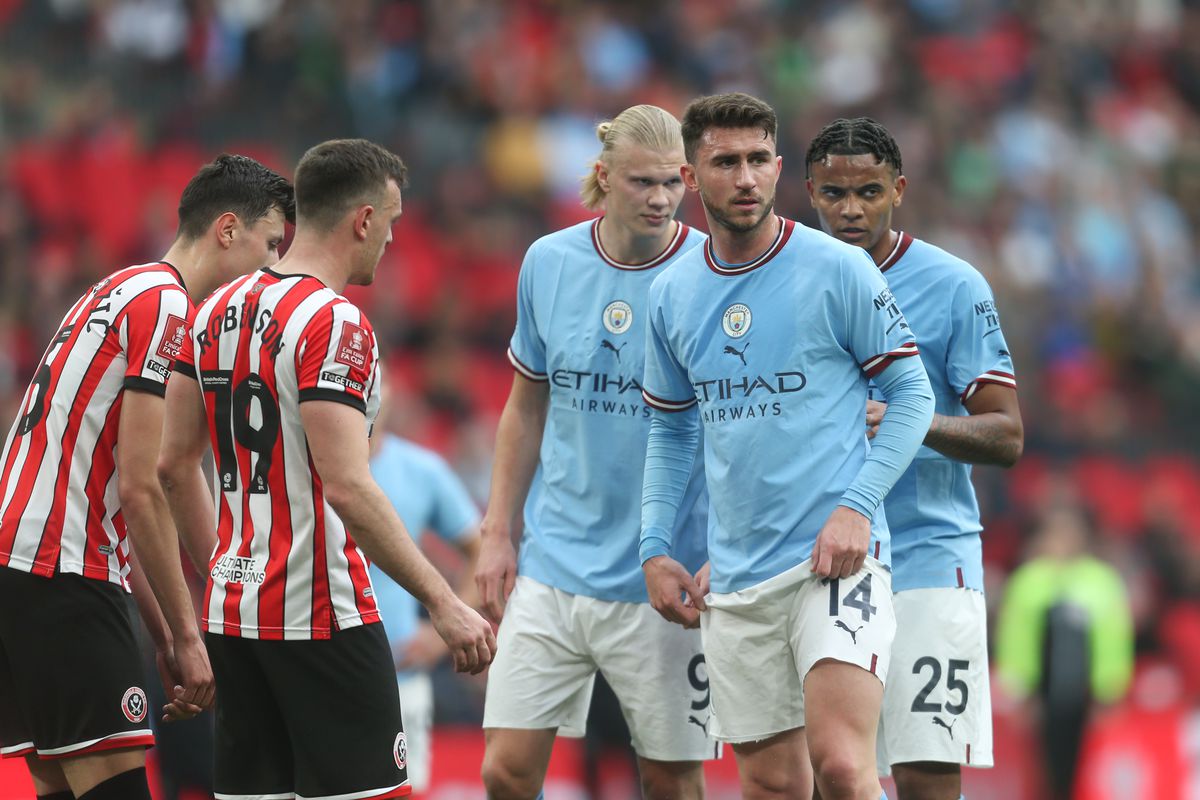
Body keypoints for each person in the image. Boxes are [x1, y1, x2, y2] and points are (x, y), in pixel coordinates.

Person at [157, 138, 496, 800]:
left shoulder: (212, 310)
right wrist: (443, 602)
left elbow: (174, 466)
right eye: (391, 223)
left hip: (234, 615)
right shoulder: (335, 323)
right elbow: (347, 484)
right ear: (363, 220)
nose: (391, 240)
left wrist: (228, 573)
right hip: (322, 614)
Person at [639, 92, 935, 800]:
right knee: (772, 785)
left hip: (836, 563)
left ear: (777, 168)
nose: (745, 178)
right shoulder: (672, 294)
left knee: (842, 766)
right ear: (691, 178)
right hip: (738, 577)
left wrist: (857, 508)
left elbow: (913, 396)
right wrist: (653, 546)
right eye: (725, 163)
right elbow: (672, 428)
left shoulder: (839, 268)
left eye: (757, 160)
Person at [0, 154, 293, 800]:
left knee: (63, 790)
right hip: (62, 572)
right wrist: (190, 634)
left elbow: (108, 493)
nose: (273, 266)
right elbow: (144, 486)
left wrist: (161, 634)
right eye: (271, 244)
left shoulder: (115, 290)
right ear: (227, 229)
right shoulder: (167, 306)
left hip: (22, 568)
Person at [475, 104, 714, 800]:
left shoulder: (711, 271)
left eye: (673, 182)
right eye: (642, 182)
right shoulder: (549, 261)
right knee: (505, 771)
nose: (661, 199)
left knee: (669, 780)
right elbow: (525, 406)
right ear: (604, 177)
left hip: (665, 574)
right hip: (554, 563)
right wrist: (497, 530)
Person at [368, 381, 484, 795]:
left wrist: (440, 635)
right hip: (318, 672)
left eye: (377, 380)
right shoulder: (302, 466)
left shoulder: (421, 470)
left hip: (401, 675)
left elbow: (481, 551)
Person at [995, 504, 1133, 800]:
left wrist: (1109, 691)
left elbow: (1114, 637)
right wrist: (1017, 688)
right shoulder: (1028, 580)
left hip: (1084, 694)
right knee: (1042, 769)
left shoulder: (1102, 580)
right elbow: (1015, 637)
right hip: (1040, 694)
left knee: (1081, 769)